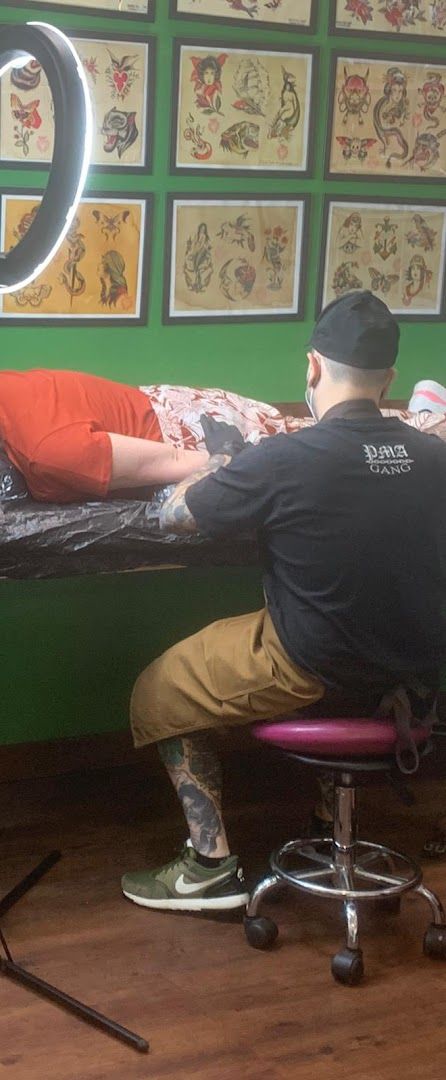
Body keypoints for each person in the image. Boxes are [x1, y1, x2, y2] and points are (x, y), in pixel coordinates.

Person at [122, 290, 446, 913]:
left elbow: (174, 515)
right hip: (412, 670)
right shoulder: (434, 455)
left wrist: (221, 461)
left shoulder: (284, 458)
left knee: (158, 688)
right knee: (349, 630)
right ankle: (329, 821)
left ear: (313, 367)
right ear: (389, 379)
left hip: (313, 661)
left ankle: (209, 868)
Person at [0, 368, 210, 503]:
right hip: (176, 402)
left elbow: (176, 460)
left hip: (194, 440)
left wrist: (231, 460)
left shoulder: (50, 452)